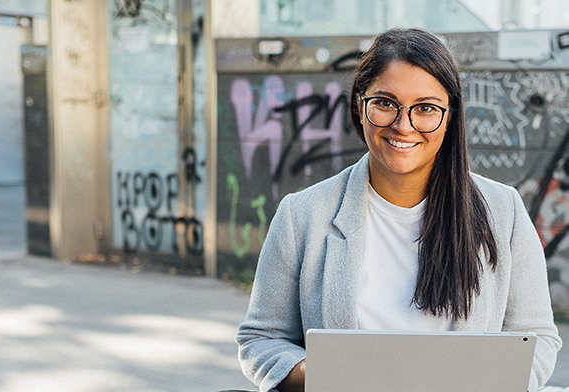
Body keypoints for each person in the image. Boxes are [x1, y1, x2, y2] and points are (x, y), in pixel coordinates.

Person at [235, 27, 562, 392]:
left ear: (450, 116)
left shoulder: (505, 212)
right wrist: (322, 377)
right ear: (361, 107)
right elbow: (261, 338)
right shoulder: (303, 215)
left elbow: (537, 341)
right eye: (385, 103)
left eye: (425, 108)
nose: (403, 125)